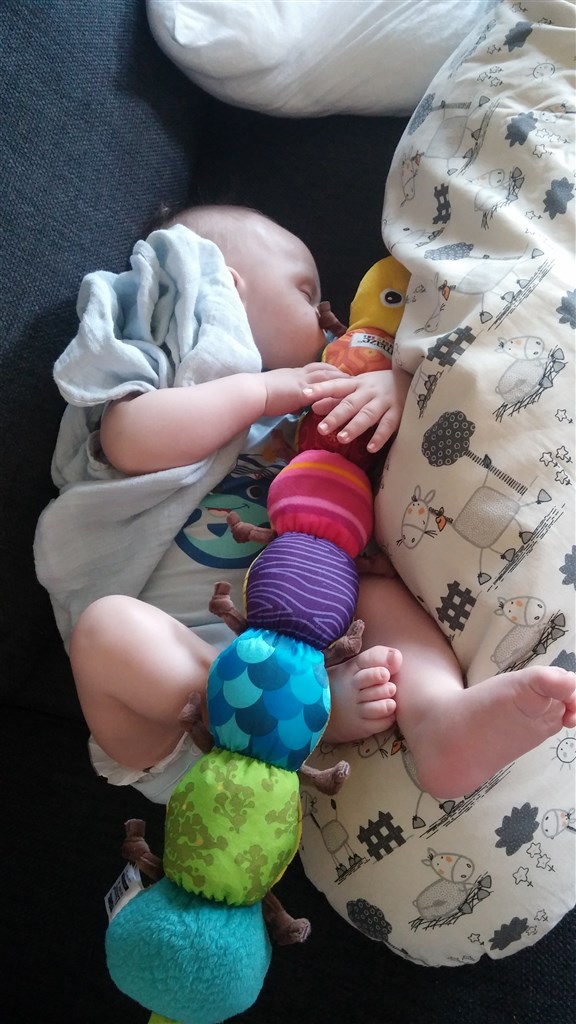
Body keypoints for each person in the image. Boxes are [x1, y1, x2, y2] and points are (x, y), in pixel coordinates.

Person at [68, 204, 575, 805]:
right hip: (170, 710)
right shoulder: (170, 377)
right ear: (224, 284)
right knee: (106, 629)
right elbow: (129, 441)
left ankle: (439, 720)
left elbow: (359, 475)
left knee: (379, 599)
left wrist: (394, 390)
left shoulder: (303, 418)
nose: (324, 316)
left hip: (307, 644)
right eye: (306, 293)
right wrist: (261, 392)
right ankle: (287, 705)